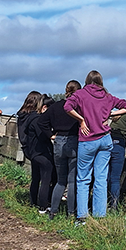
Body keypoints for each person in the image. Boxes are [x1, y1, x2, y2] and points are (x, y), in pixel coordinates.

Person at [65, 71, 126, 224]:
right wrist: (111, 114)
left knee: (83, 178)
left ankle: (82, 217)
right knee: (101, 178)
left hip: (88, 140)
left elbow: (67, 107)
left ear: (87, 80)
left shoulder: (81, 94)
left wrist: (81, 120)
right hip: (105, 139)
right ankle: (100, 215)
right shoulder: (107, 96)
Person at [47, 80, 81, 218]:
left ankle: (53, 211)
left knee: (61, 180)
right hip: (73, 140)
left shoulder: (56, 106)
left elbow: (42, 122)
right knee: (72, 181)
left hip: (59, 140)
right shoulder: (79, 107)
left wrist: (51, 135)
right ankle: (71, 212)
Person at [17, 91, 54, 213]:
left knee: (35, 177)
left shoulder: (24, 116)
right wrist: (51, 134)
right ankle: (44, 205)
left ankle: (33, 201)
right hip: (40, 152)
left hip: (30, 150)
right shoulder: (37, 119)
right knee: (46, 179)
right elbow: (42, 136)